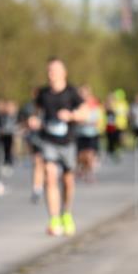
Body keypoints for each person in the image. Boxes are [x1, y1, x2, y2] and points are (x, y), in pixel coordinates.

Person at [29, 57, 88, 237]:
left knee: (68, 181)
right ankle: (54, 219)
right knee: (50, 176)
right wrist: (34, 121)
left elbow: (85, 112)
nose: (51, 74)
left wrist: (71, 115)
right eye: (49, 71)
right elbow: (35, 112)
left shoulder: (72, 93)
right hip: (49, 141)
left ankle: (66, 214)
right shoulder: (43, 94)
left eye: (54, 70)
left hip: (68, 142)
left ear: (64, 72)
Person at [20, 94, 45, 204]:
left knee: (46, 165)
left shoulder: (48, 107)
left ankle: (44, 185)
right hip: (35, 139)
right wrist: (27, 124)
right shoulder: (29, 108)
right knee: (37, 162)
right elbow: (22, 122)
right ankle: (37, 188)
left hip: (48, 140)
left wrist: (42, 124)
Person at [75, 85, 103, 184]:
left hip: (91, 133)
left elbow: (97, 119)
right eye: (81, 93)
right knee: (81, 156)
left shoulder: (93, 104)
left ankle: (90, 174)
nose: (83, 95)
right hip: (79, 133)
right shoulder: (76, 104)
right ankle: (83, 169)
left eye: (85, 93)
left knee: (90, 155)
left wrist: (86, 121)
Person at [0, 99, 19, 175]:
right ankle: (2, 162)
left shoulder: (14, 116)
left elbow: (15, 125)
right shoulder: (2, 115)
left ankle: (9, 162)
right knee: (1, 149)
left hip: (9, 134)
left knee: (9, 149)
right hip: (2, 134)